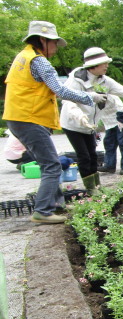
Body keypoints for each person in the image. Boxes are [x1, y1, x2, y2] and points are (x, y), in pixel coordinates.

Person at [2, 21, 108, 223]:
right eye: (55, 44)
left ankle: (56, 205)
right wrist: (91, 97)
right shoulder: (39, 61)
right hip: (28, 118)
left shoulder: (22, 57)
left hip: (19, 117)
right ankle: (42, 211)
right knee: (52, 165)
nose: (56, 49)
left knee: (48, 163)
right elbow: (60, 90)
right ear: (43, 40)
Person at [60, 47, 123, 194]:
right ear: (93, 65)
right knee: (84, 156)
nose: (107, 66)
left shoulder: (105, 81)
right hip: (73, 124)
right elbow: (67, 101)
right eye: (104, 63)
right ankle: (90, 189)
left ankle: (97, 186)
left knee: (93, 155)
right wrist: (79, 117)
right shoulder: (76, 80)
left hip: (90, 125)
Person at [98, 97, 123, 175]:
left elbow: (120, 106)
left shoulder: (111, 95)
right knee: (108, 143)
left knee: (122, 143)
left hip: (121, 119)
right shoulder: (91, 97)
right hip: (109, 122)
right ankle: (109, 166)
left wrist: (121, 119)